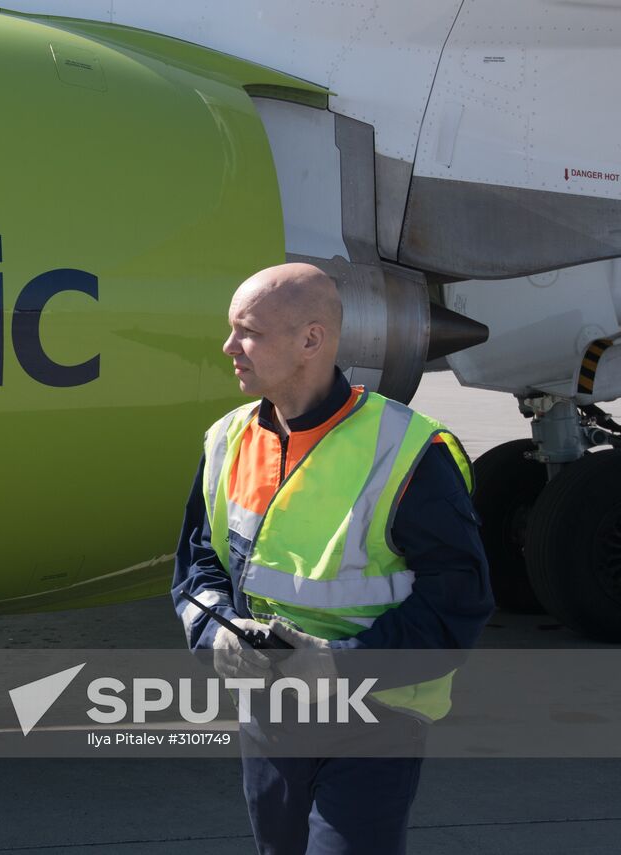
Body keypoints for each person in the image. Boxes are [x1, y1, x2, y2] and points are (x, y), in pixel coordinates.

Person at [170, 262, 494, 855]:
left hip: (374, 719)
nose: (228, 347)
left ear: (310, 341)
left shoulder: (409, 451)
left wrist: (338, 665)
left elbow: (458, 606)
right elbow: (197, 567)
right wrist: (218, 635)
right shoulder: (227, 440)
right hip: (269, 716)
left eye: (249, 332)